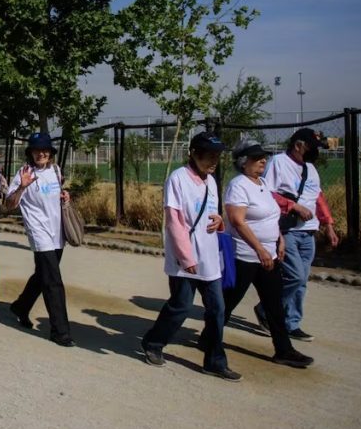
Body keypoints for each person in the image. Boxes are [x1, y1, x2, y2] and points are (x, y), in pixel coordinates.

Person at [141, 132, 239, 382]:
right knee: (181, 306)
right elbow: (174, 222)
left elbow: (211, 212)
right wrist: (186, 257)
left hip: (209, 257)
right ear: (193, 153)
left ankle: (215, 361)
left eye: (217, 156)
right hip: (185, 259)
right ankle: (153, 342)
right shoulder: (178, 179)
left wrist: (219, 221)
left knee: (217, 308)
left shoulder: (211, 181)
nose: (213, 160)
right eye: (209, 155)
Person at [222, 140, 314, 368]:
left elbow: (272, 216)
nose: (263, 160)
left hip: (269, 255)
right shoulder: (238, 185)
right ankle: (209, 337)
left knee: (274, 304)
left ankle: (284, 350)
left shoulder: (261, 183)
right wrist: (259, 248)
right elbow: (237, 221)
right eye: (257, 157)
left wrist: (279, 240)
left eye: (264, 156)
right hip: (244, 256)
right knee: (228, 301)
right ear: (243, 162)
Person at [256, 128, 339, 342]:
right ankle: (267, 309)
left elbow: (317, 196)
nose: (315, 153)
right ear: (298, 145)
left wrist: (328, 223)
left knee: (302, 282)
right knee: (295, 276)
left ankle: (292, 323)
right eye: (312, 147)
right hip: (287, 230)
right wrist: (292, 206)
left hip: (308, 231)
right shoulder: (278, 163)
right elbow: (266, 192)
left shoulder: (310, 168)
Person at [6, 132, 75, 348]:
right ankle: (60, 331)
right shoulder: (24, 173)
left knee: (43, 275)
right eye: (37, 150)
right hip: (39, 234)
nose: (41, 153)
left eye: (45, 150)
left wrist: (65, 196)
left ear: (50, 153)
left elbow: (55, 195)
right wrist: (22, 186)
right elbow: (9, 204)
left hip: (57, 233)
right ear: (30, 153)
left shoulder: (55, 171)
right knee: (53, 281)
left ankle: (20, 306)